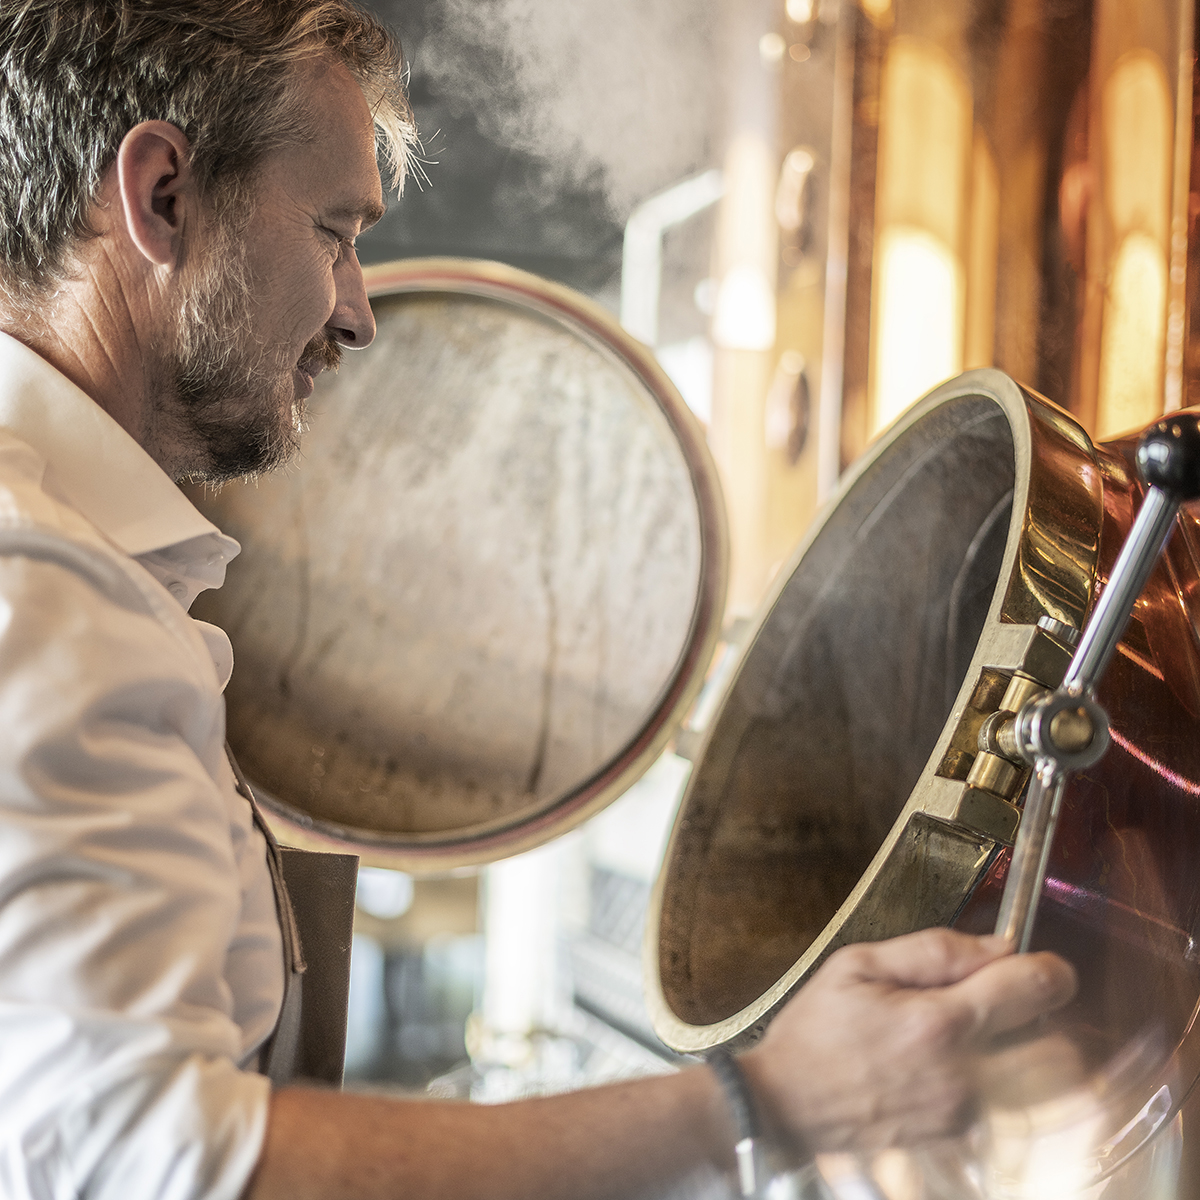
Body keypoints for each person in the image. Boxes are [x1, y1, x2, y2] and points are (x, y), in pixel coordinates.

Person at [0, 2, 1076, 1198]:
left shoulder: (74, 560)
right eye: (334, 231)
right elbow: (145, 1162)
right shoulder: (39, 586)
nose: (357, 309)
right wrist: (770, 1098)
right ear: (160, 195)